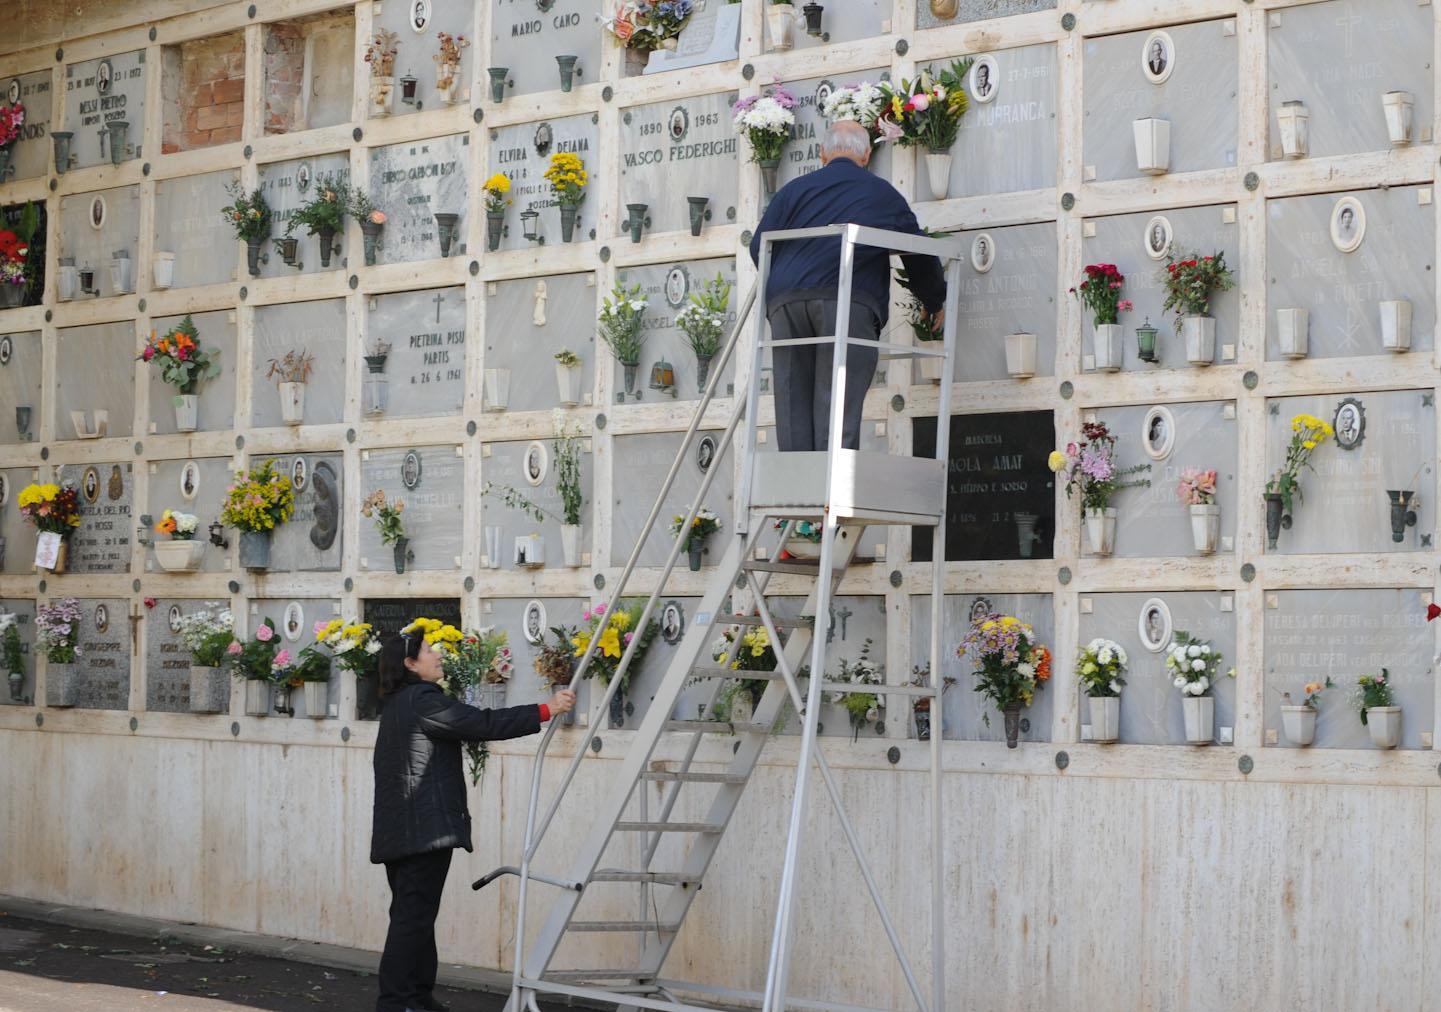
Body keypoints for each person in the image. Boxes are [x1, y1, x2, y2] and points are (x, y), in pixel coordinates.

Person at [370, 629, 576, 1012]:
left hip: (402, 832)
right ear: (410, 664)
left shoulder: (398, 704)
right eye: (428, 650)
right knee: (411, 921)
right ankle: (395, 1002)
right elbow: (481, 724)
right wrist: (545, 710)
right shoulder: (422, 699)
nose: (438, 654)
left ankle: (416, 998)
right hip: (423, 833)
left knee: (414, 917)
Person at [749, 120, 947, 451]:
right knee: (838, 401)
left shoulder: (792, 191)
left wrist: (787, 285)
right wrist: (933, 299)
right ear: (866, 155)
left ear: (822, 154)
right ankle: (833, 481)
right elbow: (917, 251)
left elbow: (760, 246)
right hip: (847, 300)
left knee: (792, 395)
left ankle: (796, 479)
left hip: (785, 302)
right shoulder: (881, 193)